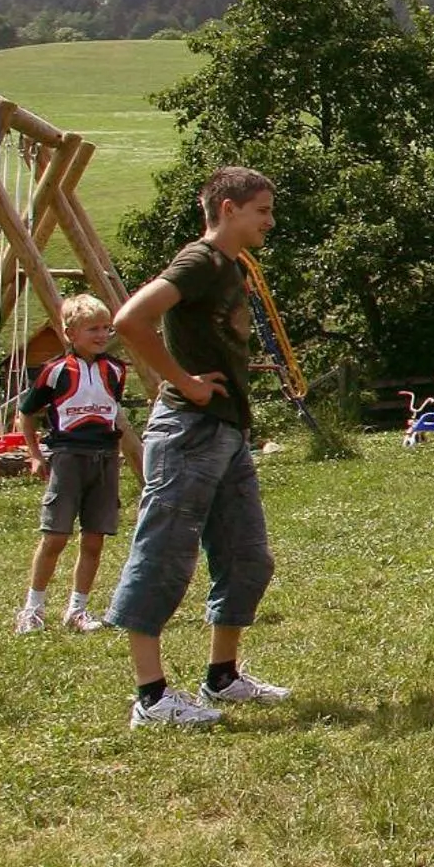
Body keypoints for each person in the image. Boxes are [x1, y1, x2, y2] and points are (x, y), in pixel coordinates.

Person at [105, 167, 290, 728]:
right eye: (261, 209)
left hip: (225, 432)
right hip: (188, 431)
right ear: (228, 209)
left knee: (247, 558)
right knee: (165, 556)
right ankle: (152, 697)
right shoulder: (201, 260)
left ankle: (223, 677)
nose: (270, 220)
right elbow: (130, 319)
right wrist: (181, 381)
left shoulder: (230, 266)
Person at [14, 295, 144, 634]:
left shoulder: (116, 369)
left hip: (104, 460)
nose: (102, 335)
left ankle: (77, 610)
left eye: (106, 327)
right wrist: (34, 455)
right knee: (55, 537)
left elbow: (112, 410)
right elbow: (26, 414)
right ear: (70, 332)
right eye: (92, 329)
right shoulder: (54, 371)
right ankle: (33, 608)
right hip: (69, 459)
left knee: (94, 539)